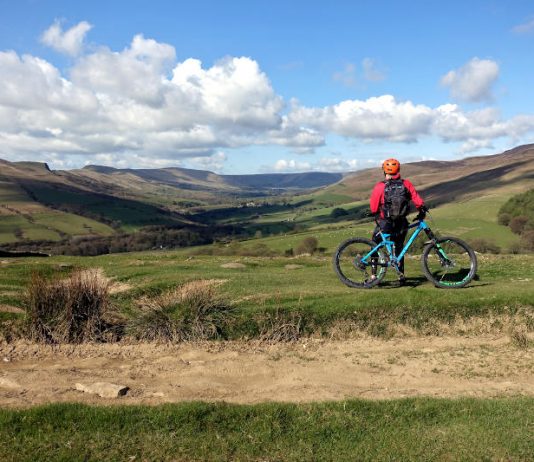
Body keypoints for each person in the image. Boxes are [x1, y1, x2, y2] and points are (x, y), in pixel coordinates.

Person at [369, 158, 427, 285]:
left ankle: (374, 276)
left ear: (384, 171)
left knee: (375, 244)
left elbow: (373, 207)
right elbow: (417, 200)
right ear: (398, 170)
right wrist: (421, 210)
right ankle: (401, 276)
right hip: (401, 222)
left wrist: (376, 213)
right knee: (399, 247)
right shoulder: (406, 184)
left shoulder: (380, 186)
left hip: (386, 222)